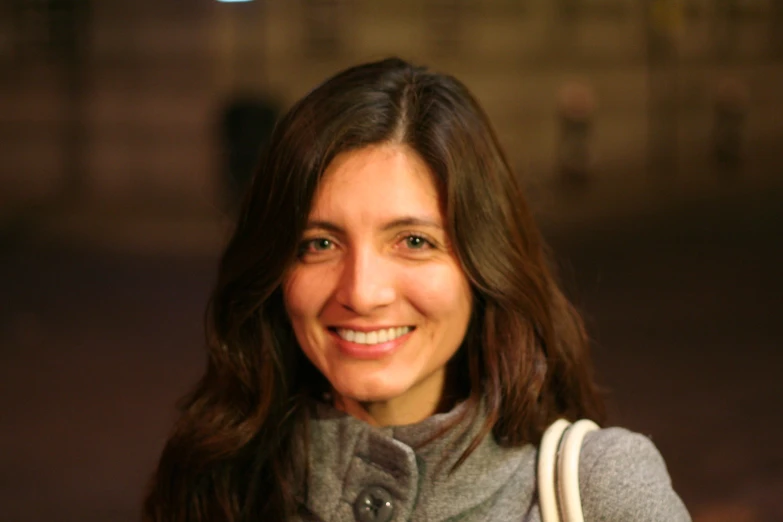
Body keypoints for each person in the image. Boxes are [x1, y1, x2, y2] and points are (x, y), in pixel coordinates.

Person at [143, 58, 691, 521]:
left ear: (485, 264)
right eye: (319, 244)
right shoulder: (214, 484)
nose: (361, 292)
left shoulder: (600, 491)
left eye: (413, 240)